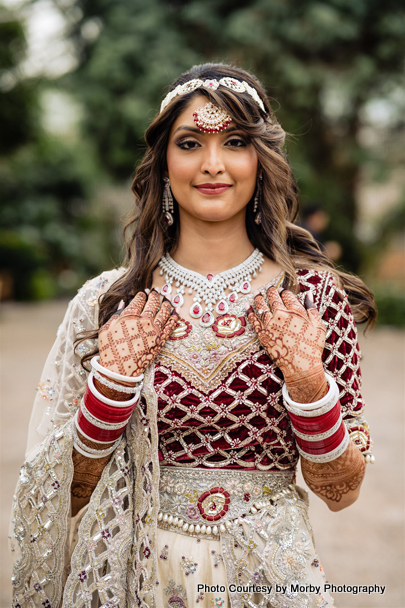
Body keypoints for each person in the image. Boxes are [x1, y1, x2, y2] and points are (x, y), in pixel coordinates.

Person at [10, 63, 376, 608]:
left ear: (261, 159)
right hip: (130, 576)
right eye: (189, 143)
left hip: (267, 578)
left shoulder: (313, 300)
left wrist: (307, 382)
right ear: (162, 163)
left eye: (234, 142)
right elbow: (58, 498)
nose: (212, 165)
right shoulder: (110, 303)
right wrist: (110, 391)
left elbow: (340, 492)